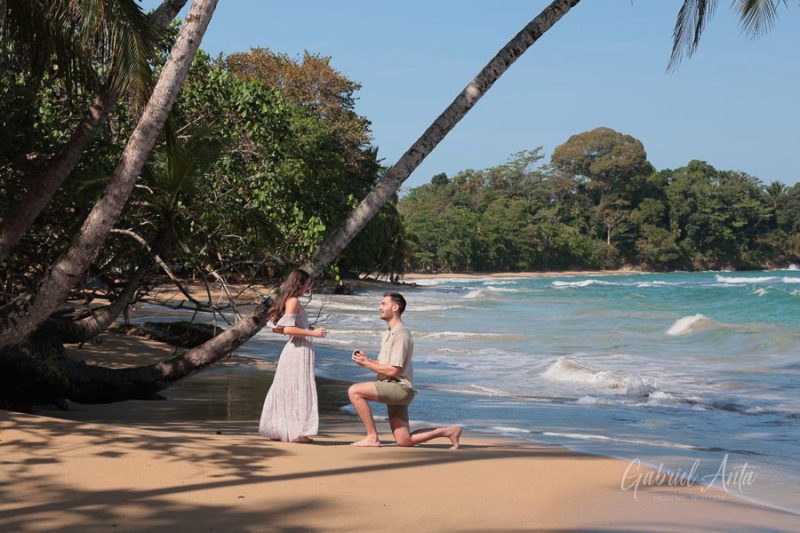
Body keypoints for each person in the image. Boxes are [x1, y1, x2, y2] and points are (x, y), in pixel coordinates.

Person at [348, 292, 462, 449]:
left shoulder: (401, 333)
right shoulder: (388, 332)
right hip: (391, 385)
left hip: (399, 387)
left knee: (354, 391)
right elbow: (384, 363)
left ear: (395, 308)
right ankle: (449, 431)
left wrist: (368, 364)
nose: (379, 307)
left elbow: (394, 370)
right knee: (404, 440)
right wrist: (365, 360)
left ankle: (372, 437)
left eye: (383, 304)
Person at [259, 269, 327, 443]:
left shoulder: (290, 301)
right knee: (298, 387)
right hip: (298, 349)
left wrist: (306, 331)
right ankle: (296, 432)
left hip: (297, 349)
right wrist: (313, 333)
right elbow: (287, 329)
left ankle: (285, 429)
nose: (308, 286)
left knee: (291, 387)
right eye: (307, 283)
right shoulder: (293, 301)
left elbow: (278, 328)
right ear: (300, 284)